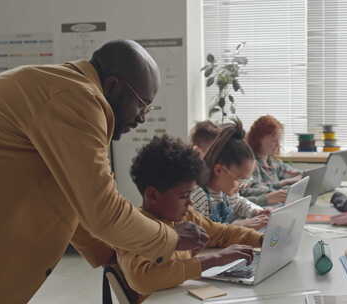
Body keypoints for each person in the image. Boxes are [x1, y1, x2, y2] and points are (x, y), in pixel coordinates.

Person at [0, 40, 206, 303]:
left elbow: (72, 197)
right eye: (142, 104)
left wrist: (112, 255)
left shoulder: (60, 88)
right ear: (112, 87)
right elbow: (103, 211)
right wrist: (171, 238)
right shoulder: (76, 97)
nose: (143, 118)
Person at [118, 135, 262, 295]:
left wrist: (262, 240)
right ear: (153, 196)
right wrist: (215, 259)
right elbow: (143, 279)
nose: (190, 203)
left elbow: (221, 233)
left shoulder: (185, 215)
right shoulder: (133, 230)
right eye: (183, 196)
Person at [190, 119, 271, 230]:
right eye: (240, 179)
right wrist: (236, 226)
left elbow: (240, 203)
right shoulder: (198, 197)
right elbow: (200, 235)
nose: (243, 185)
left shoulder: (226, 192)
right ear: (219, 170)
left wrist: (256, 211)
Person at [241, 115, 302, 206]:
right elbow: (250, 190)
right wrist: (282, 184)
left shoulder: (272, 161)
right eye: (274, 140)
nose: (278, 145)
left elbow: (294, 173)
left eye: (279, 140)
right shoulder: (250, 164)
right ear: (258, 139)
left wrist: (301, 176)